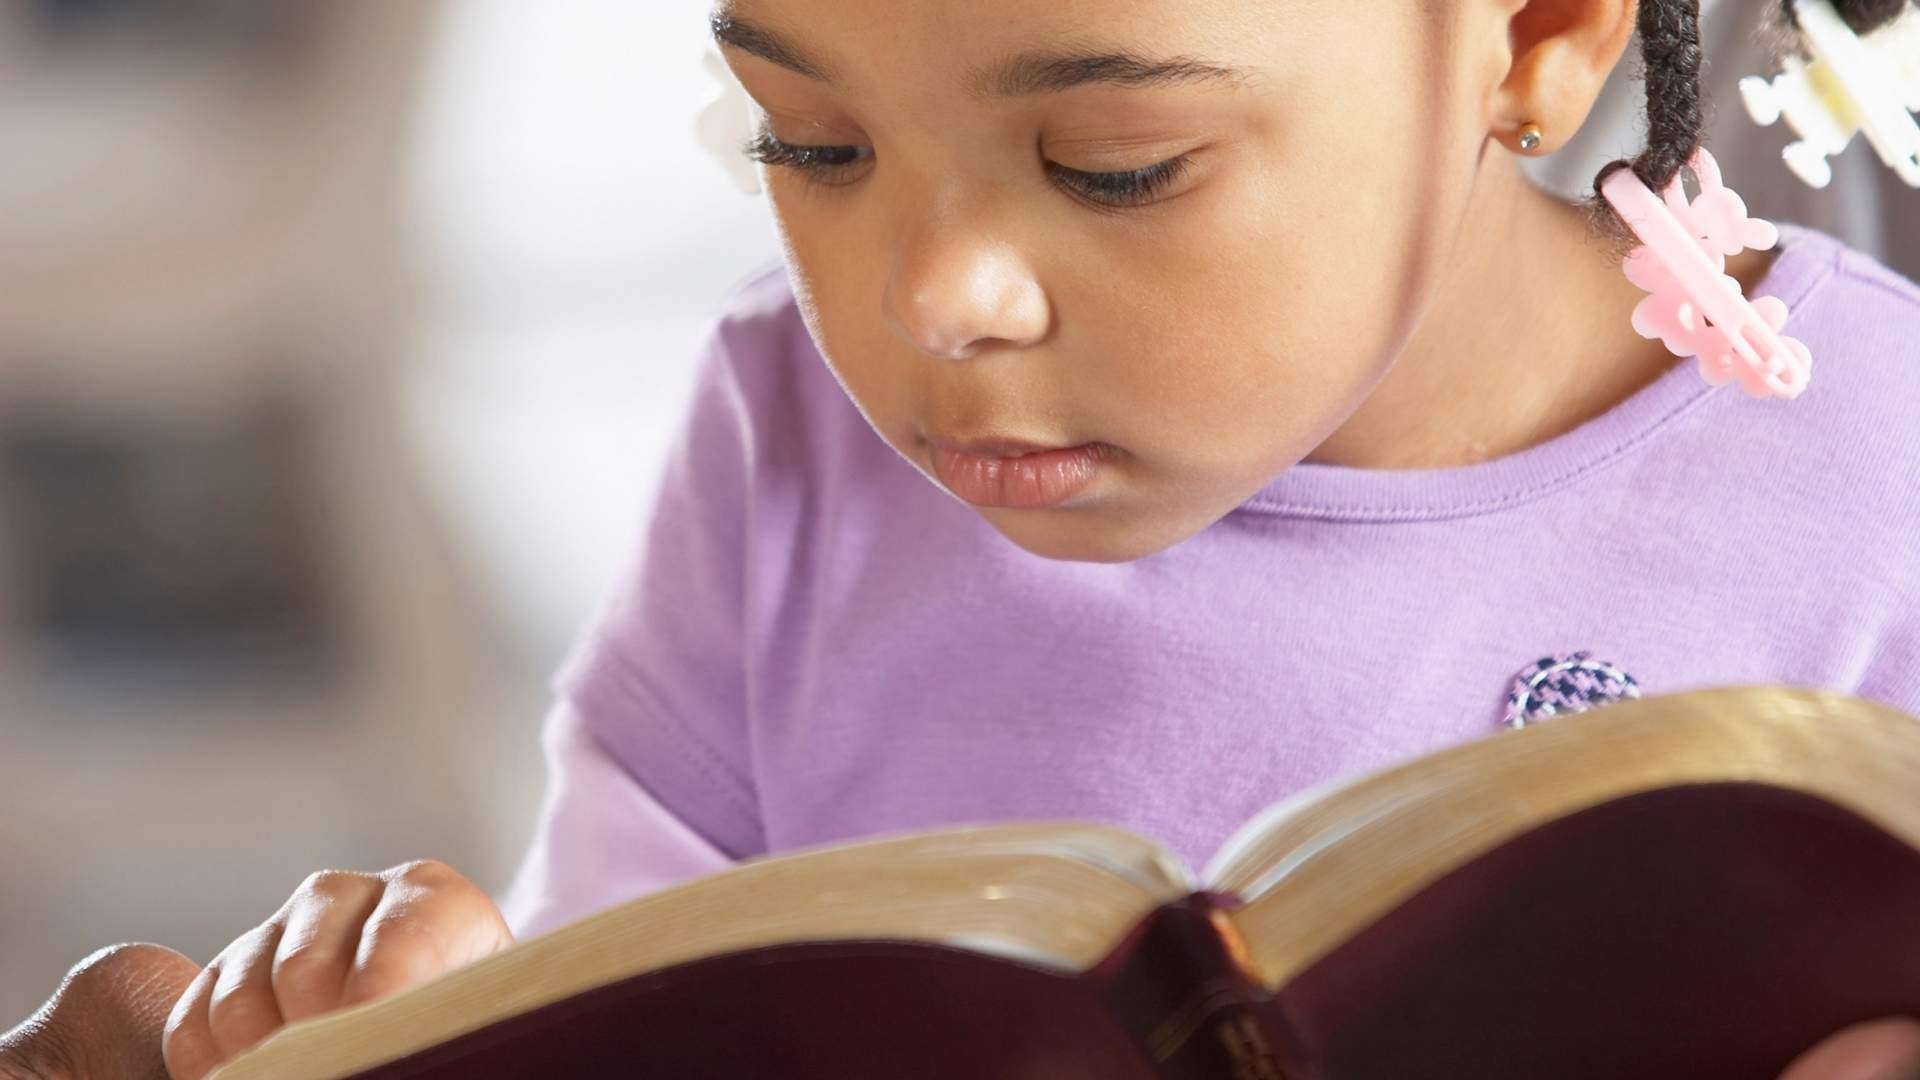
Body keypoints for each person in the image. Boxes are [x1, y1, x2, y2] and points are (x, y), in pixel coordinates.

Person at [6, 0, 1919, 1076]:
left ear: (1536, 32)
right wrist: (421, 1031)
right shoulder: (785, 447)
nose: (935, 298)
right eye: (809, 145)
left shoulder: (1878, 479)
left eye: (1112, 166)